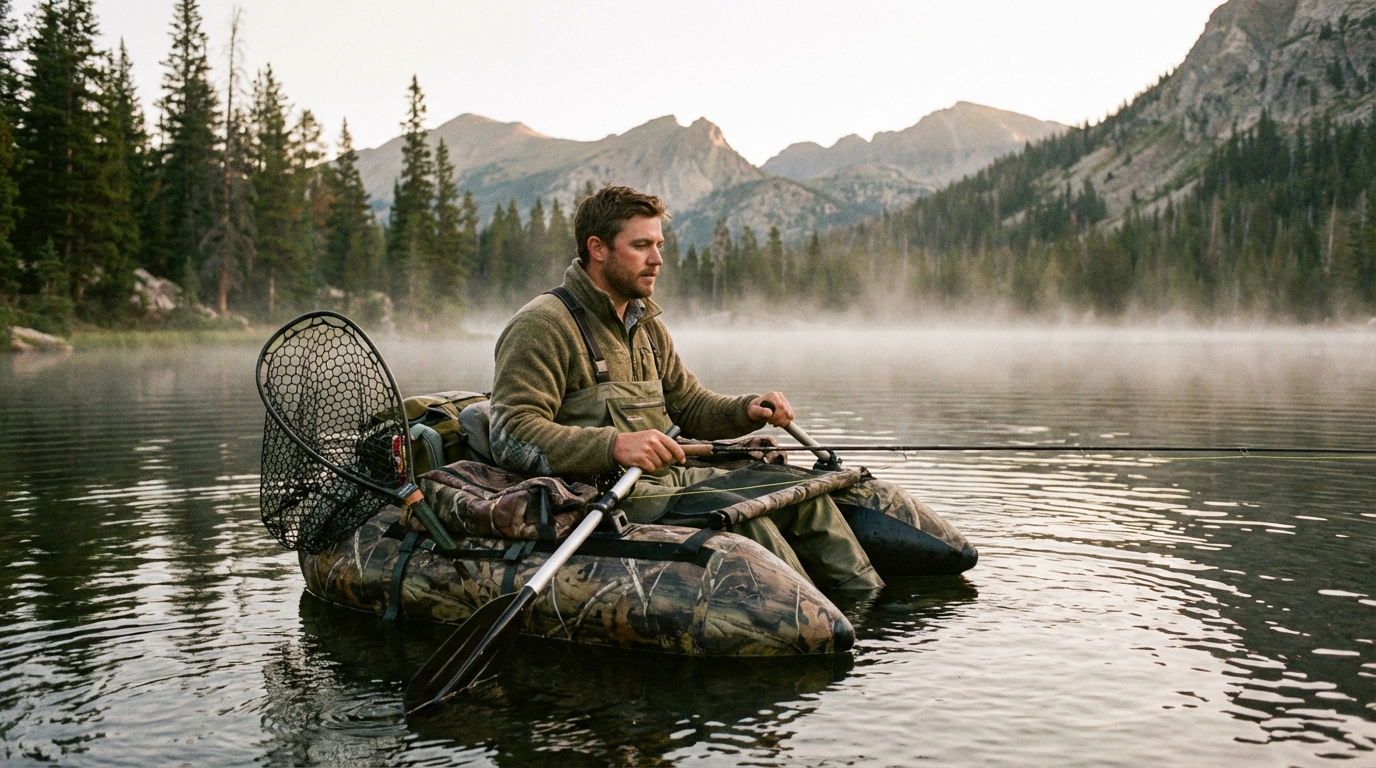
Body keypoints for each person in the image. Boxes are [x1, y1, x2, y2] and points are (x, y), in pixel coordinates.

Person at [488, 185, 883, 590]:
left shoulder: (647, 325)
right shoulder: (543, 325)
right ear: (598, 248)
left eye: (658, 245)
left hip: (673, 482)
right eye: (641, 245)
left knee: (804, 497)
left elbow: (689, 405)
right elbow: (511, 434)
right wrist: (614, 445)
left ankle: (872, 616)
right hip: (607, 497)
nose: (657, 259)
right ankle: (825, 626)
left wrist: (747, 409)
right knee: (749, 520)